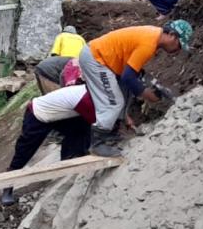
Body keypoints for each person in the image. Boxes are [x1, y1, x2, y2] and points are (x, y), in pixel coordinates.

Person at [78, 21, 192, 157]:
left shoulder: (152, 36)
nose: (178, 50)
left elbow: (134, 70)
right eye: (179, 45)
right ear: (172, 35)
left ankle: (112, 132)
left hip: (103, 56)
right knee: (113, 102)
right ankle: (97, 143)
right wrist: (147, 94)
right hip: (96, 57)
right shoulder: (149, 43)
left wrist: (152, 85)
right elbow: (128, 77)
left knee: (125, 91)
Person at [0, 84, 96, 206]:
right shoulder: (85, 99)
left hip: (62, 114)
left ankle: (69, 160)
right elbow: (98, 122)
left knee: (79, 129)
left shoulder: (90, 91)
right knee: (24, 151)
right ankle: (7, 186)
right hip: (38, 114)